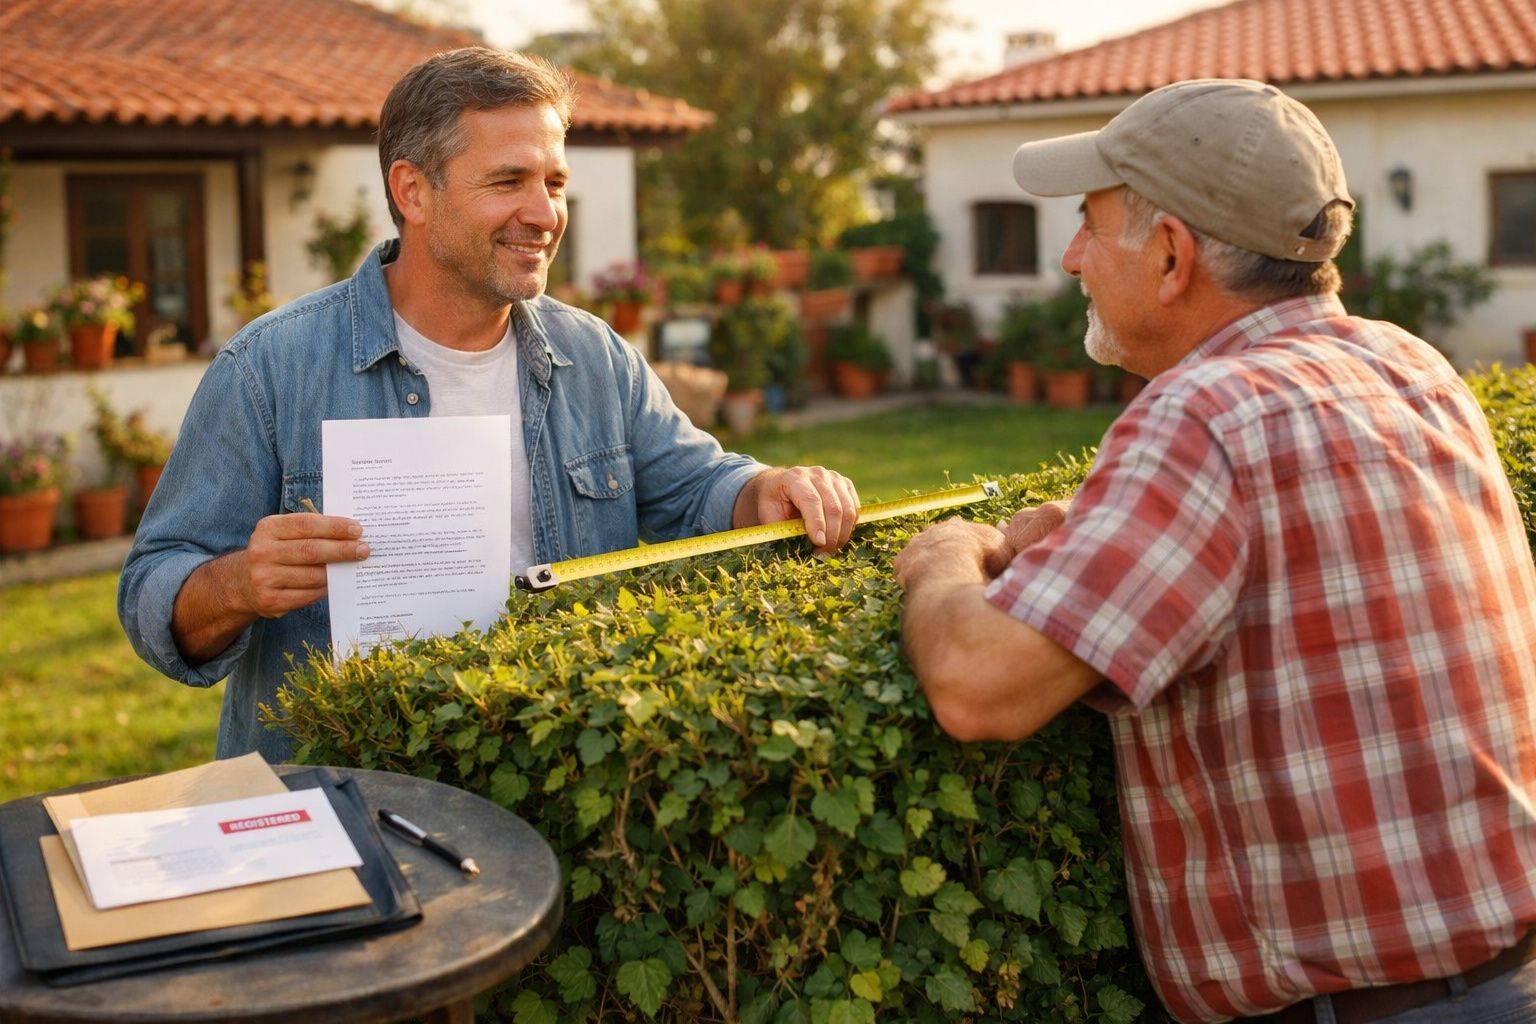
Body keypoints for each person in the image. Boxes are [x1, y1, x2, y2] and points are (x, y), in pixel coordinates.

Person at [894, 78, 1536, 1023]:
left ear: (1169, 255)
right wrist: (1089, 521)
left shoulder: (1204, 416)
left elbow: (977, 684)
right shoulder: (1411, 364)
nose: (1070, 257)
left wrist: (944, 554)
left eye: (1088, 224)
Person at [119, 48, 858, 765]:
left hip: (556, 784)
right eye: (509, 181)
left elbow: (698, 486)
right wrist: (239, 583)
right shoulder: (270, 368)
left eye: (555, 182)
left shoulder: (594, 355)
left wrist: (767, 488)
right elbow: (152, 591)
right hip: (347, 793)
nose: (544, 214)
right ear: (412, 191)